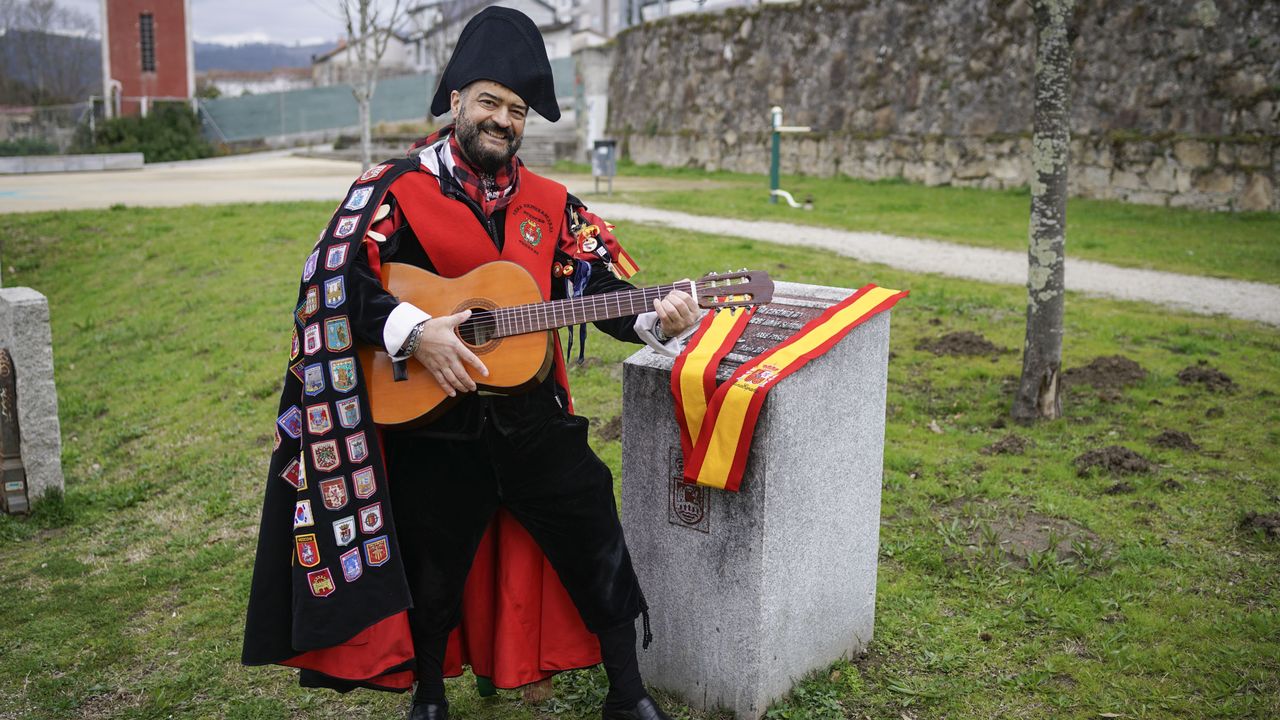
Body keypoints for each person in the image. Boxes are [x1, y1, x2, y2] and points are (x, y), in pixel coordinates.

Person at [242, 8, 699, 720]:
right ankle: (428, 698)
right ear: (455, 99)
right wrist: (415, 331)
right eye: (490, 102)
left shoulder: (550, 205)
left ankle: (627, 693)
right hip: (431, 421)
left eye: (517, 110)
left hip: (527, 419)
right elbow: (333, 285)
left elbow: (593, 288)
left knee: (594, 525)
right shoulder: (393, 190)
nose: (503, 120)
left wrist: (651, 314)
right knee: (433, 568)